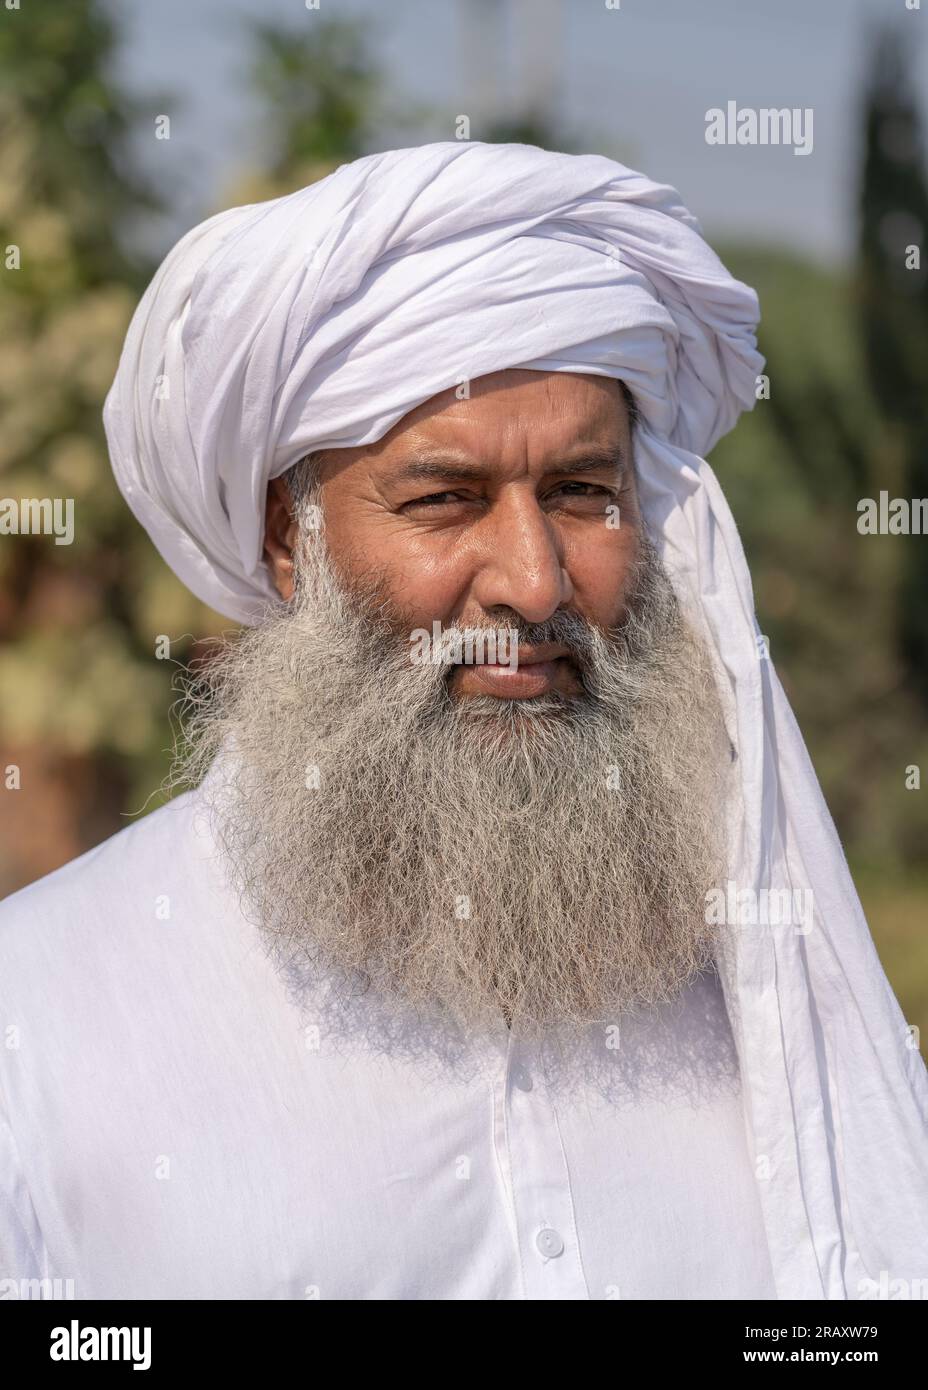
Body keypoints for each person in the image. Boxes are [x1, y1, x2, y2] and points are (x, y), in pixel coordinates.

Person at [0, 142, 925, 1301]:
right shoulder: (38, 1020)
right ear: (292, 544)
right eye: (444, 500)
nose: (535, 584)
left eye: (585, 494)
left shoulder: (764, 978)